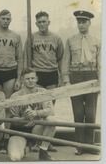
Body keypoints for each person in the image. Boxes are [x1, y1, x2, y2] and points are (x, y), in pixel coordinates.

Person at [23, 11, 63, 152]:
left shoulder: (56, 38)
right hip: (37, 74)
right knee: (36, 109)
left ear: (48, 22)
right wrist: (28, 77)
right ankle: (36, 142)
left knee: (48, 109)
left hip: (51, 74)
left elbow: (60, 57)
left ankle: (47, 141)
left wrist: (62, 77)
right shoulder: (32, 38)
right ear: (36, 23)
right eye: (39, 22)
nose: (41, 24)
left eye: (44, 21)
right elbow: (27, 58)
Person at [62, 10, 100, 155]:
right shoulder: (71, 40)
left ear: (89, 23)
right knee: (78, 113)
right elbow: (65, 61)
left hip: (91, 75)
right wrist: (66, 81)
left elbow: (100, 64)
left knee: (90, 113)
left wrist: (100, 82)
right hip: (76, 76)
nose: (81, 25)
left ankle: (90, 145)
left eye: (84, 22)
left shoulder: (97, 41)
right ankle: (79, 145)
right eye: (79, 22)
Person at [0, 9, 23, 149]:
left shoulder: (15, 36)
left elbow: (20, 58)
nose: (5, 21)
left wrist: (19, 78)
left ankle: (7, 137)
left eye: (8, 19)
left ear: (11, 20)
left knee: (8, 106)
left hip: (10, 72)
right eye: (3, 18)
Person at [8, 67, 55, 161]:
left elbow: (51, 111)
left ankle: (43, 151)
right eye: (27, 78)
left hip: (35, 129)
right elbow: (13, 121)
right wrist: (24, 119)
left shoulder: (43, 92)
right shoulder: (15, 96)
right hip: (19, 131)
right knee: (15, 158)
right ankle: (22, 148)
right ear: (22, 80)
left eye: (32, 78)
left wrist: (35, 114)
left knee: (51, 120)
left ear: (36, 79)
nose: (30, 81)